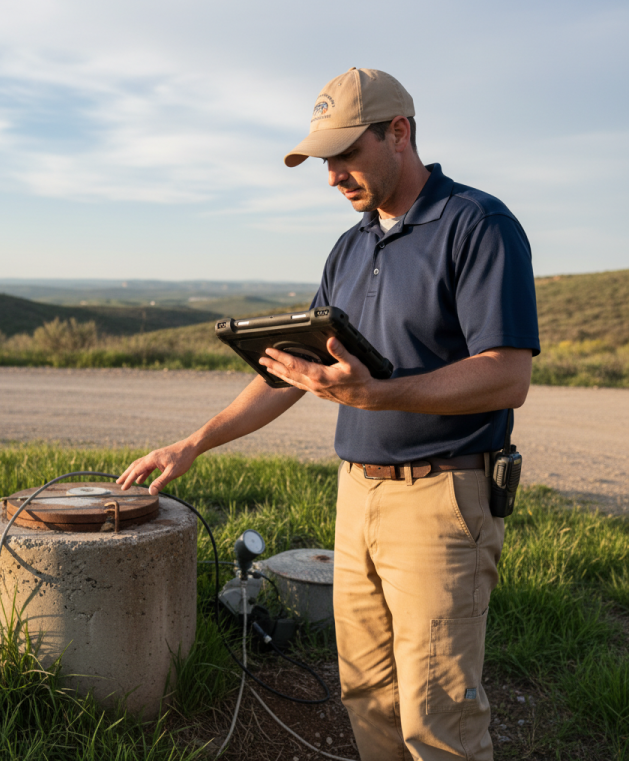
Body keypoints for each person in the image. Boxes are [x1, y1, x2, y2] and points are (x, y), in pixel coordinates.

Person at [118, 68, 540, 760]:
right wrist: (194, 443)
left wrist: (379, 395)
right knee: (366, 695)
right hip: (357, 494)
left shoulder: (477, 224)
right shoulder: (350, 246)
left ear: (398, 133)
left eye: (346, 154)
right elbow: (288, 378)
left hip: (443, 497)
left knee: (438, 717)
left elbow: (507, 375)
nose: (333, 176)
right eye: (324, 161)